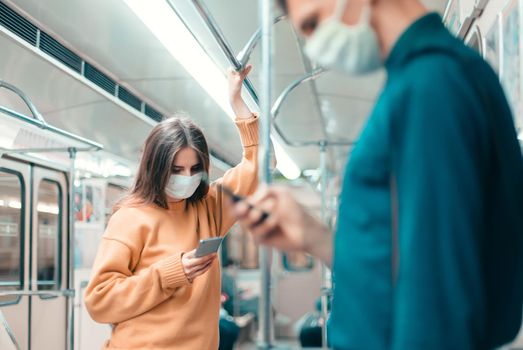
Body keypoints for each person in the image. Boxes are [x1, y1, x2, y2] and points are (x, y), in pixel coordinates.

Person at [231, 0, 523, 349]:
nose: (315, 45)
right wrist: (316, 237)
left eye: (311, 25)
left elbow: (436, 291)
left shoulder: (429, 87)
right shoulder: (424, 81)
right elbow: (396, 260)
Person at [84, 65, 259, 349]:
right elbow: (99, 302)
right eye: (176, 169)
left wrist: (236, 103)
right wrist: (170, 273)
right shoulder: (131, 218)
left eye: (195, 169)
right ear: (156, 167)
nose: (187, 178)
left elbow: (259, 164)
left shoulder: (209, 207)